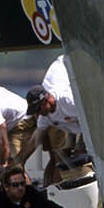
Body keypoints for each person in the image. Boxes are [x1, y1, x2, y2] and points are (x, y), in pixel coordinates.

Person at [24, 55, 87, 184]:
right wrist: (21, 161)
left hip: (77, 64)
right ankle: (52, 191)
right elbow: (37, 137)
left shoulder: (69, 101)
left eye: (38, 109)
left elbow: (93, 121)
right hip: (63, 65)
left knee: (82, 153)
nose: (38, 114)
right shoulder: (45, 115)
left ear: (46, 101)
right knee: (58, 158)